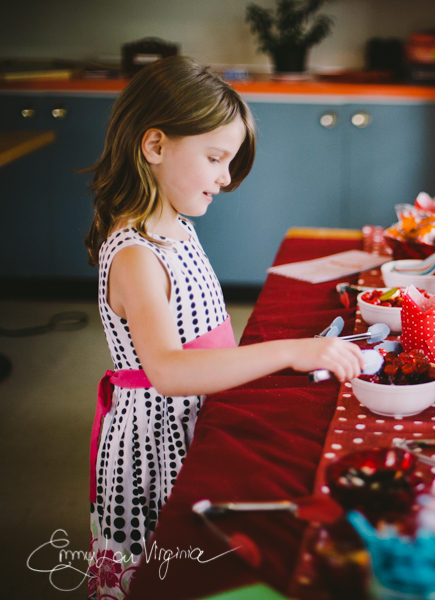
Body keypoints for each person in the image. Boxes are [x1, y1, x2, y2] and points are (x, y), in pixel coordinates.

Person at [82, 56, 364, 598]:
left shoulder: (177, 229)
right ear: (156, 146)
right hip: (154, 442)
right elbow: (167, 369)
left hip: (194, 417)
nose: (226, 177)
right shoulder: (137, 254)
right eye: (215, 158)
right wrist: (289, 351)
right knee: (161, 573)